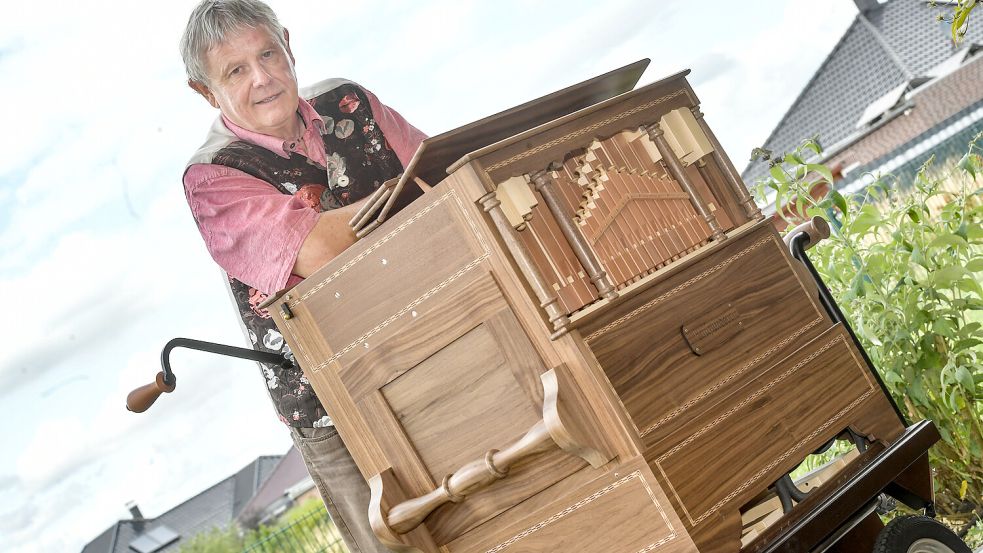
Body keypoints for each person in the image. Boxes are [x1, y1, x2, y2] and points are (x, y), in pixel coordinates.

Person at [179, 1, 425, 551]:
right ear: (204, 91)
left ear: (288, 44)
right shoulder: (214, 178)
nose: (263, 78)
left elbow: (441, 174)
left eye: (268, 54)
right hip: (335, 406)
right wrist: (407, 198)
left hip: (428, 343)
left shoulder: (350, 101)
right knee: (399, 543)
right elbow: (316, 252)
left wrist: (420, 192)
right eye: (236, 71)